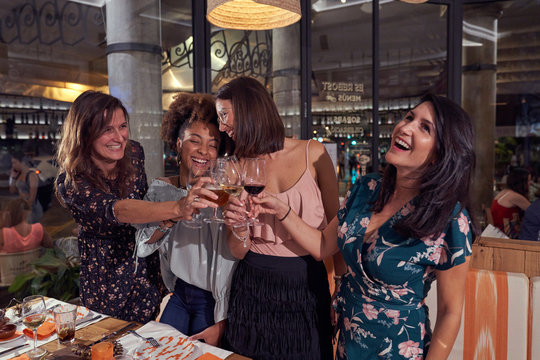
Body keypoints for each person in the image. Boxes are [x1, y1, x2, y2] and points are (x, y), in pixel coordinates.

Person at [247, 93, 477, 359]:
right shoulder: (367, 188)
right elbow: (323, 246)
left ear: (440, 154)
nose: (405, 127)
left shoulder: (450, 219)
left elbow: (450, 312)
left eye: (425, 128)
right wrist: (281, 209)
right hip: (348, 342)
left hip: (399, 349)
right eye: (409, 117)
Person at [55, 90, 218, 323]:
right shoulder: (71, 183)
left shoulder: (134, 152)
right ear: (84, 134)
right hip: (107, 282)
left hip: (146, 275)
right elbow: (118, 210)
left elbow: (147, 214)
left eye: (122, 126)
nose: (119, 137)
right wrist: (178, 207)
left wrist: (167, 216)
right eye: (107, 129)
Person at [216, 76, 339, 360]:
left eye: (224, 115)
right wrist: (237, 225)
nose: (222, 127)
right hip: (254, 284)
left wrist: (340, 288)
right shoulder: (234, 167)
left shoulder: (314, 153)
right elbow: (236, 250)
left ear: (250, 110)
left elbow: (338, 228)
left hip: (307, 283)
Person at [134, 92, 237, 346]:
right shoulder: (161, 190)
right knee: (157, 351)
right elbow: (143, 246)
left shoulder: (222, 195)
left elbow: (235, 255)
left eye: (213, 144)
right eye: (195, 140)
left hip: (211, 301)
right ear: (179, 144)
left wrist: (224, 320)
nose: (204, 151)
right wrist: (174, 214)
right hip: (179, 294)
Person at [491, 167, 530, 237]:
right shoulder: (514, 196)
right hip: (506, 236)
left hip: (496, 233)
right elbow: (535, 212)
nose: (531, 183)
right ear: (521, 182)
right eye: (528, 180)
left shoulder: (504, 192)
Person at [9, 151, 43, 223]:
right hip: (23, 207)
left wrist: (24, 211)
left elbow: (32, 198)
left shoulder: (31, 175)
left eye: (15, 162)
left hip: (32, 209)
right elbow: (12, 191)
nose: (13, 165)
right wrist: (13, 178)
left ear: (22, 162)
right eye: (12, 163)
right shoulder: (18, 174)